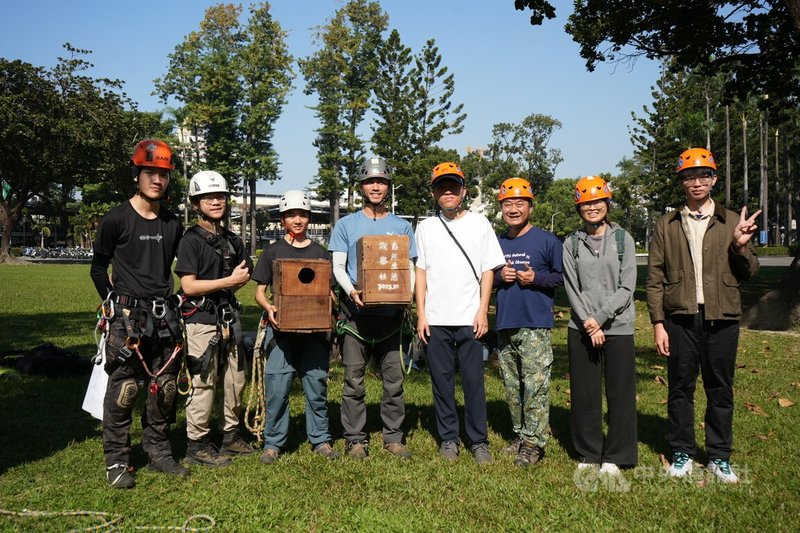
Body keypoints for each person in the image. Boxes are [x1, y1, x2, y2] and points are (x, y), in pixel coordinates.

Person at [647, 148, 760, 483]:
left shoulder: (729, 222)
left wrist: (740, 245)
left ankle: (719, 455)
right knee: (680, 387)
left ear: (713, 179)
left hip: (722, 318)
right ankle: (682, 450)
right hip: (680, 318)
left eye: (703, 175)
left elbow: (750, 271)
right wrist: (657, 323)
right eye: (688, 176)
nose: (696, 182)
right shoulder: (666, 224)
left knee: (720, 388)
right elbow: (654, 276)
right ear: (681, 182)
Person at [90, 139, 185, 488]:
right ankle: (117, 463)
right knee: (124, 389)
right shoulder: (116, 218)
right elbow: (98, 269)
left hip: (164, 318)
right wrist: (112, 304)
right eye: (150, 173)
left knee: (165, 387)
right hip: (127, 318)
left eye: (163, 174)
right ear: (136, 175)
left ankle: (158, 452)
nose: (157, 180)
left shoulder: (173, 224)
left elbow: (181, 267)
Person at [415, 162, 506, 463]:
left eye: (454, 186)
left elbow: (488, 269)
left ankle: (479, 440)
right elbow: (421, 273)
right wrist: (421, 314)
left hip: (470, 318)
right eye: (442, 187)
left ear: (464, 191)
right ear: (434, 193)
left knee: (473, 382)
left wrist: (483, 311)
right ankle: (449, 439)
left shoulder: (480, 224)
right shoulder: (426, 227)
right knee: (441, 382)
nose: (449, 191)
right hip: (436, 319)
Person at [328, 157, 416, 460]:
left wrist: (409, 295)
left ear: (388, 187)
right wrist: (351, 290)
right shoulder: (346, 225)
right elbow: (338, 265)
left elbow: (410, 268)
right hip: (357, 319)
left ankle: (393, 436)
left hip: (391, 319)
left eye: (381, 182)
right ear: (362, 186)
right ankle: (355, 439)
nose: (375, 186)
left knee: (394, 382)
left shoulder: (402, 227)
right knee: (353, 381)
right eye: (370, 182)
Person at [174, 170, 255, 468]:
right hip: (201, 319)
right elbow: (189, 286)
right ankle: (197, 444)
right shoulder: (191, 241)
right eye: (208, 197)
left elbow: (243, 275)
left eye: (219, 196)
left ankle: (230, 435)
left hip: (228, 316)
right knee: (204, 381)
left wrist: (234, 281)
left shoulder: (232, 240)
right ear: (196, 203)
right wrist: (227, 282)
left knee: (235, 378)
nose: (215, 201)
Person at [251, 190, 339, 463]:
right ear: (282, 220)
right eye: (291, 215)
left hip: (314, 334)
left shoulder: (320, 253)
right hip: (281, 333)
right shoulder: (273, 251)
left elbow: (331, 291)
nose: (297, 219)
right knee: (277, 387)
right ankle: (273, 443)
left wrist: (328, 306)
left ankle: (321, 440)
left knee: (316, 387)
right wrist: (269, 308)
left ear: (309, 218)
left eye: (302, 214)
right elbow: (259, 292)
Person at [562, 176, 638, 475]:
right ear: (579, 208)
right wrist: (587, 323)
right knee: (585, 392)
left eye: (597, 202)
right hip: (581, 326)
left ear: (607, 203)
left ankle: (617, 454)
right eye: (586, 204)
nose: (592, 208)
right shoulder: (571, 243)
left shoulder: (623, 239)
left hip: (618, 325)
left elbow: (628, 286)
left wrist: (601, 318)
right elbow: (571, 286)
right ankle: (588, 452)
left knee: (620, 392)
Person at [493, 178, 563, 467]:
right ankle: (520, 436)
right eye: (508, 204)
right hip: (505, 323)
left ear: (530, 207)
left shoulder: (548, 241)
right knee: (512, 386)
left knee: (534, 385)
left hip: (535, 324)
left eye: (519, 203)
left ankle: (534, 443)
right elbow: (487, 278)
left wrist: (537, 279)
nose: (513, 209)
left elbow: (562, 277)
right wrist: (500, 278)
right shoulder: (497, 242)